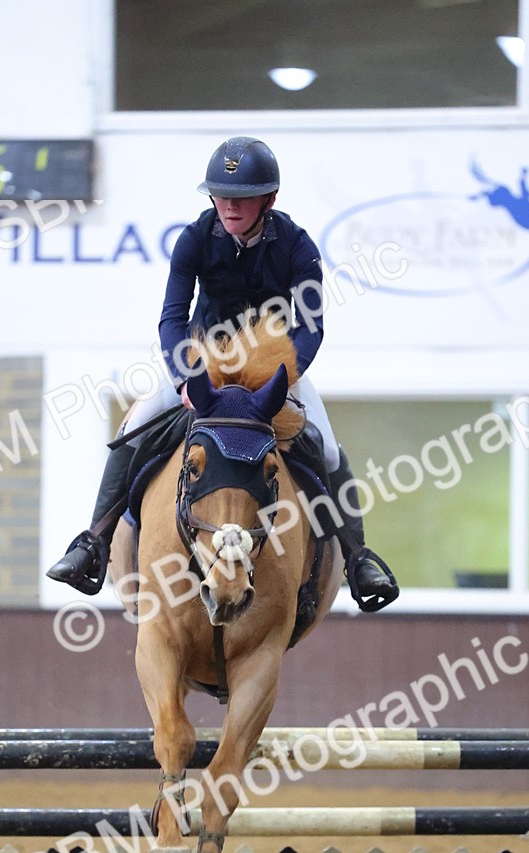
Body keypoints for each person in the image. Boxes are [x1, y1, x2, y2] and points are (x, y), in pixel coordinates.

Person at [47, 136, 398, 609]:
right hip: (202, 368)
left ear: (268, 200)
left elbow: (310, 327)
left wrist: (280, 378)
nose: (229, 206)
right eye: (221, 195)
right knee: (132, 430)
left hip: (274, 374)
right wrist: (183, 377)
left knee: (329, 449)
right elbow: (172, 318)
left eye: (242, 197)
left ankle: (359, 560)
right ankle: (93, 544)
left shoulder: (297, 246)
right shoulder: (193, 239)